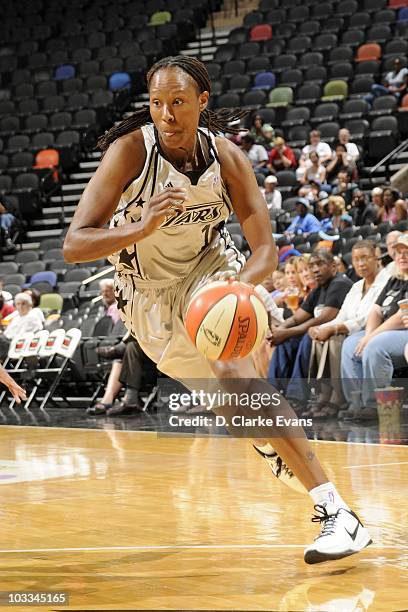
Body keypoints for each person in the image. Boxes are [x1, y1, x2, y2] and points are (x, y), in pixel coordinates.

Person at [63, 55, 372, 564]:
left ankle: (336, 511)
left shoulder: (226, 157)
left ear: (201, 102)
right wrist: (139, 229)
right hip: (147, 297)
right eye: (157, 103)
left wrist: (234, 292)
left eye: (178, 102)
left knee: (238, 377)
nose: (166, 113)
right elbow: (76, 244)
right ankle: (270, 443)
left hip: (209, 273)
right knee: (234, 409)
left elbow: (266, 250)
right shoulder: (129, 153)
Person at [307, 241, 390, 417]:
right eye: (356, 260)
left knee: (340, 340)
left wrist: (336, 328)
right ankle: (330, 396)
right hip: (353, 329)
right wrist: (320, 327)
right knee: (322, 336)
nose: (361, 264)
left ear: (375, 257)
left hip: (376, 328)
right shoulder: (355, 286)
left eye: (365, 258)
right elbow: (342, 316)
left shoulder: (386, 280)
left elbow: (367, 318)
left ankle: (347, 399)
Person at [268, 249, 353, 408]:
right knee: (285, 341)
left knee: (306, 336)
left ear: (333, 266)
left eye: (320, 264)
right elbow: (297, 317)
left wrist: (286, 332)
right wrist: (280, 331)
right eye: (312, 265)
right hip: (319, 332)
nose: (315, 269)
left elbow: (325, 318)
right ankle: (273, 393)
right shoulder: (319, 288)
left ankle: (297, 397)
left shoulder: (339, 283)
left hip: (339, 333)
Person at [340, 233, 408, 418]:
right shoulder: (394, 279)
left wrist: (371, 336)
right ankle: (356, 402)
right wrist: (367, 334)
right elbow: (375, 310)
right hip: (382, 329)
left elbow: (401, 315)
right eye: (399, 252)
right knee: (350, 346)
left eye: (406, 252)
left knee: (375, 346)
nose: (402, 256)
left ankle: (374, 405)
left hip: (402, 330)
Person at [0, 292, 43, 360]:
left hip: (20, 345)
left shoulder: (32, 317)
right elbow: (6, 333)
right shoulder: (17, 317)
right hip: (9, 343)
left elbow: (22, 336)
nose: (20, 307)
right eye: (18, 304)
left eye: (23, 304)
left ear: (30, 304)